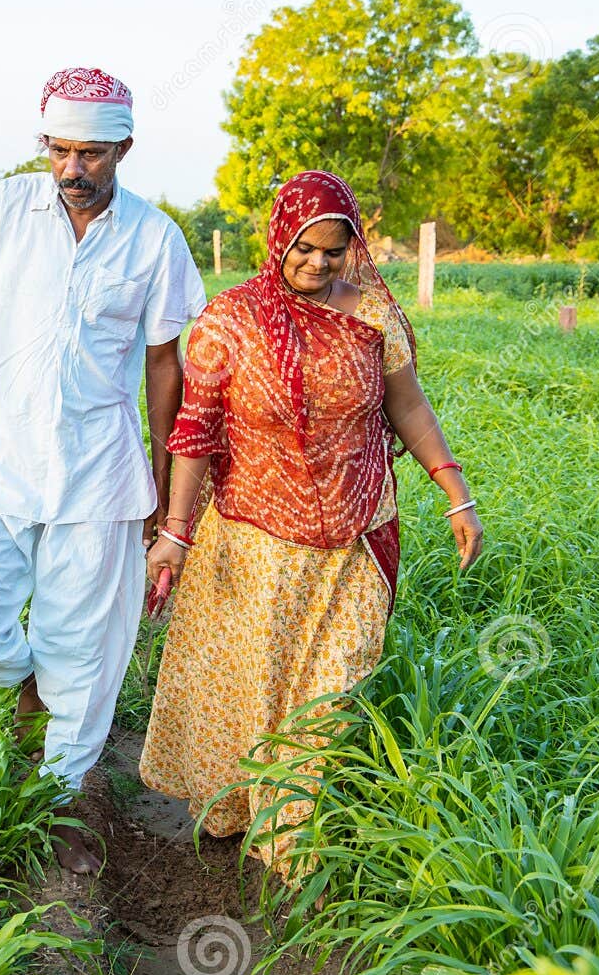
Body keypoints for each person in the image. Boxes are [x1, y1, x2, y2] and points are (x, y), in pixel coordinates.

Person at [0, 67, 208, 875]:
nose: (73, 168)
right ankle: (31, 678)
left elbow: (163, 367)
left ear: (125, 149)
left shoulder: (156, 239)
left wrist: (168, 485)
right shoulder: (6, 209)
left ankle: (63, 796)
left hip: (98, 472)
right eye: (60, 149)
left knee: (90, 650)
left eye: (92, 153)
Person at [139, 170, 484, 883]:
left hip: (354, 537)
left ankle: (293, 852)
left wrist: (455, 492)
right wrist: (175, 530)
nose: (320, 264)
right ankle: (240, 822)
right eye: (306, 248)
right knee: (253, 694)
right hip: (254, 541)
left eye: (335, 250)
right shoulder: (229, 321)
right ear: (278, 239)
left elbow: (408, 407)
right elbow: (194, 433)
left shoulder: (373, 318)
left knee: (330, 698)